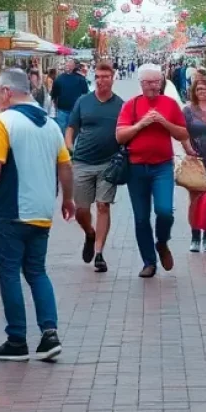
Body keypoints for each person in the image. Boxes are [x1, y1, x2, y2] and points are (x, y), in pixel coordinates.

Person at [0, 67, 75, 362]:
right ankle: (49, 333)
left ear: (7, 92)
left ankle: (17, 339)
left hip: (12, 209)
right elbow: (65, 166)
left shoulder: (4, 122)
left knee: (9, 273)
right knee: (36, 271)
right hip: (42, 211)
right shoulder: (50, 124)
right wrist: (67, 199)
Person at [116, 63, 190, 278]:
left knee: (165, 211)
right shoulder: (131, 105)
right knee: (141, 218)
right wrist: (141, 124)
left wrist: (164, 122)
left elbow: (183, 134)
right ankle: (149, 262)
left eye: (157, 82)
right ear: (141, 83)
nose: (153, 86)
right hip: (136, 168)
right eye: (149, 82)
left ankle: (162, 242)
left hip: (162, 167)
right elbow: (120, 136)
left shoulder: (169, 104)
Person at [65, 60, 123, 273]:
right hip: (82, 161)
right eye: (97, 77)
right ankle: (90, 233)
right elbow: (71, 127)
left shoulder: (120, 105)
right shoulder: (83, 101)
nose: (100, 81)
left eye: (105, 77)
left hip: (108, 163)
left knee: (103, 206)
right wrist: (70, 148)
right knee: (81, 210)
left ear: (113, 78)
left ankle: (99, 253)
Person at [183, 70, 206, 253]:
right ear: (194, 92)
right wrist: (189, 150)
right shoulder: (188, 110)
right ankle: (195, 236)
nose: (202, 92)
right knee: (196, 198)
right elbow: (183, 133)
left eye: (204, 88)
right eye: (198, 89)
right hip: (196, 158)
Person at [50, 59, 89, 134]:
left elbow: (85, 95)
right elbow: (55, 94)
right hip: (64, 109)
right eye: (67, 64)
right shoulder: (60, 78)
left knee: (67, 130)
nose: (67, 66)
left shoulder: (80, 79)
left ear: (74, 66)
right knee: (68, 130)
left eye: (69, 64)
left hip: (71, 110)